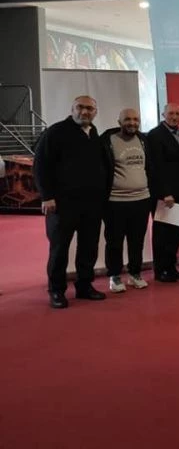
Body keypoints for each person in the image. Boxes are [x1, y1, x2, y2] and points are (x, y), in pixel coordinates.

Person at [34, 95, 109, 308]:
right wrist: (46, 196)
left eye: (89, 108)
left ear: (95, 112)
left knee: (89, 247)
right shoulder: (55, 132)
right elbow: (40, 166)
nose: (84, 112)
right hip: (62, 205)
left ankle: (84, 286)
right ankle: (56, 291)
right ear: (72, 109)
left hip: (91, 205)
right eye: (80, 107)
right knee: (59, 249)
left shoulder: (94, 133)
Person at [100, 108, 151, 293]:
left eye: (135, 119)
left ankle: (135, 274)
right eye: (127, 119)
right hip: (115, 201)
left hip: (142, 199)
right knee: (114, 241)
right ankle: (114, 276)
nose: (132, 123)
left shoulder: (144, 140)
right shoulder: (107, 140)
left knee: (137, 240)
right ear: (119, 122)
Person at [147, 103, 179, 283]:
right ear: (163, 114)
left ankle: (170, 267)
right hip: (165, 194)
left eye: (178, 114)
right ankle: (160, 269)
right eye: (171, 113)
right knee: (162, 233)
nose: (174, 117)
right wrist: (165, 193)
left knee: (175, 232)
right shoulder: (155, 135)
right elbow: (155, 167)